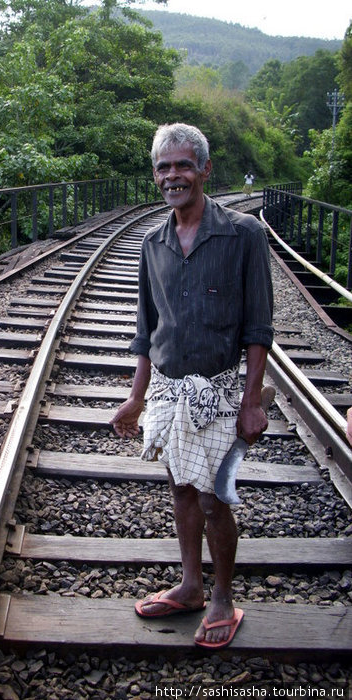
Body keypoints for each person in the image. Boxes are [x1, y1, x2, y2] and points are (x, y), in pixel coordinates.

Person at [110, 123, 273, 649]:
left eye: (183, 165)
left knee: (212, 498)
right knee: (180, 488)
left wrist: (252, 402)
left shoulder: (243, 232)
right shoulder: (152, 242)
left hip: (220, 390)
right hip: (167, 391)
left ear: (205, 170)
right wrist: (136, 397)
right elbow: (146, 327)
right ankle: (191, 586)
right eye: (164, 166)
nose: (173, 175)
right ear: (155, 175)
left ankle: (224, 596)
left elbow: (258, 325)